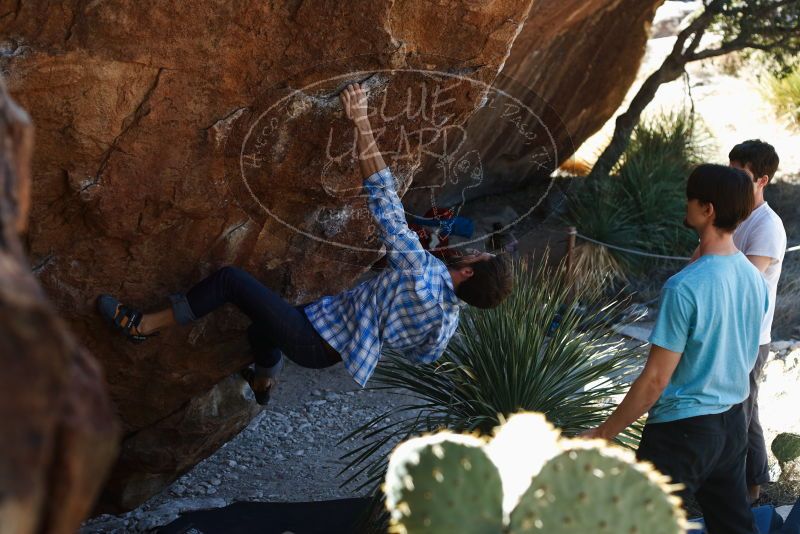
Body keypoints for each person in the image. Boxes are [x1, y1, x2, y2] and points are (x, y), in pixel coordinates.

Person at [97, 83, 513, 404]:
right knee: (262, 329)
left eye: (478, 253)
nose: (472, 248)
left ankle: (143, 326)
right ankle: (264, 380)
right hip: (330, 343)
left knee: (231, 282)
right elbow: (425, 355)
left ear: (468, 271)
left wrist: (361, 119)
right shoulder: (447, 321)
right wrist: (383, 317)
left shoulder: (420, 273)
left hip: (315, 337)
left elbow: (385, 203)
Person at [582, 164, 769, 534]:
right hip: (732, 423)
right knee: (735, 526)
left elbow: (655, 381)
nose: (686, 205)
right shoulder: (754, 278)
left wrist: (604, 432)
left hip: (682, 432)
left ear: (708, 209)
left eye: (691, 199)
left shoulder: (683, 287)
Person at [728, 140, 786, 503]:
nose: (730, 180)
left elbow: (744, 279)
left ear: (762, 180)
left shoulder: (768, 226)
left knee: (745, 412)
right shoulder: (733, 214)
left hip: (750, 335)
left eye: (739, 175)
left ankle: (753, 490)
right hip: (726, 331)